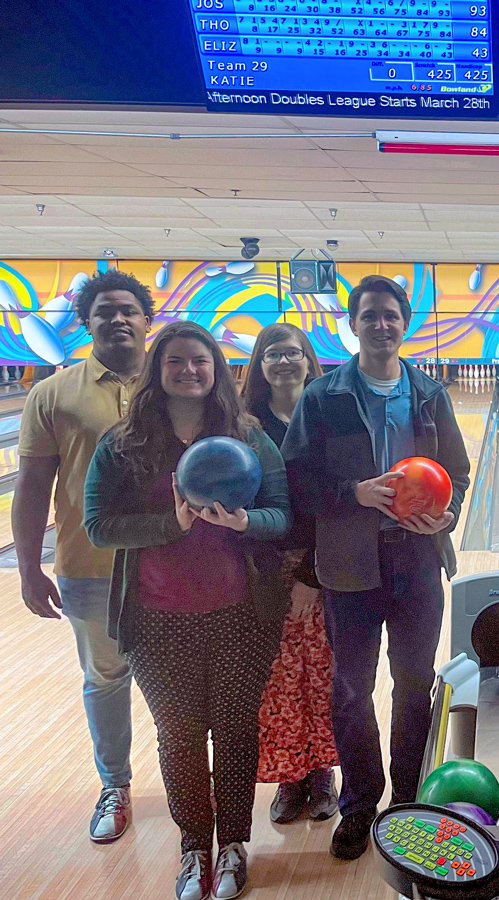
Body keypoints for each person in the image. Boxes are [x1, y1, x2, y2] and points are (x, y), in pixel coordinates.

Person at [83, 321, 292, 900]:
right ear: (157, 370)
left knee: (234, 730)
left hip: (241, 614)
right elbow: (98, 526)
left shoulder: (248, 436)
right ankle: (195, 847)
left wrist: (246, 522)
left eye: (200, 360)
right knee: (178, 735)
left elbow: (281, 514)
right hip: (156, 618)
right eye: (175, 360)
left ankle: (233, 845)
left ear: (216, 368)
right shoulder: (122, 444)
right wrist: (169, 525)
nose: (189, 370)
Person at [282, 275, 470, 861]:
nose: (381, 325)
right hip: (349, 564)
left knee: (414, 684)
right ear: (353, 323)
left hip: (416, 559)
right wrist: (354, 493)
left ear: (404, 323)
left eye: (391, 315)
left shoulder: (430, 394)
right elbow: (295, 481)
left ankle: (408, 797)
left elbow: (458, 473)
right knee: (352, 688)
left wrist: (446, 516)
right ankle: (361, 803)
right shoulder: (323, 397)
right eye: (370, 315)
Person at [13, 271, 152, 843]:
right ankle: (114, 786)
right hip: (90, 566)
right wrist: (28, 567)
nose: (117, 319)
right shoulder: (52, 393)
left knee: (189, 681)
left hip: (176, 564)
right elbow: (31, 486)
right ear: (86, 322)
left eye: (128, 309)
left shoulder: (177, 380)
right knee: (105, 678)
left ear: (146, 319)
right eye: (104, 311)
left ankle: (195, 782)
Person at [241, 324, 339, 823]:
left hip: (321, 564)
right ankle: (289, 776)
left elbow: (334, 500)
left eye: (292, 353)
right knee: (277, 681)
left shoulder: (325, 415)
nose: (283, 362)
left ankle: (322, 772)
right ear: (259, 365)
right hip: (262, 569)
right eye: (272, 354)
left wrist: (310, 574)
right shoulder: (245, 426)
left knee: (322, 674)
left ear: (308, 360)